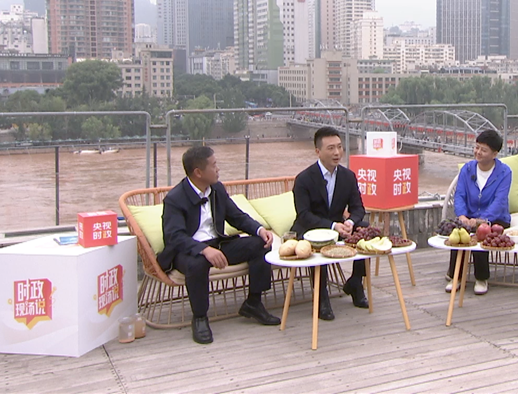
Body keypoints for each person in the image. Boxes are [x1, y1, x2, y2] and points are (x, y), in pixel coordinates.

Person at [158, 146, 280, 344]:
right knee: (197, 264)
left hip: (218, 243)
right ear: (198, 172)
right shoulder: (175, 198)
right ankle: (200, 317)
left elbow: (237, 216)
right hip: (187, 250)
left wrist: (259, 230)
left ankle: (254, 302)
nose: (218, 169)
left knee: (260, 245)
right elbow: (175, 236)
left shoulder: (217, 189)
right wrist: (203, 250)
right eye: (214, 165)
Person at [293, 127, 369, 320]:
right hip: (310, 227)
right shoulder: (303, 179)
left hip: (339, 226)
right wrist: (333, 226)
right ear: (318, 151)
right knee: (316, 241)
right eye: (331, 148)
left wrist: (350, 222)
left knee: (365, 229)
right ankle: (321, 296)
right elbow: (304, 214)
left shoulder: (348, 176)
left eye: (339, 147)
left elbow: (358, 208)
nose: (337, 153)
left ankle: (356, 282)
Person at [446, 129, 512, 296]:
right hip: (469, 215)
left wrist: (481, 219)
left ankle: (481, 278)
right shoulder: (467, 169)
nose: (478, 152)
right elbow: (459, 195)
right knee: (460, 230)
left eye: (483, 150)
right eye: (476, 147)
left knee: (481, 231)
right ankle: (455, 276)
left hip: (496, 218)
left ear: (494, 154)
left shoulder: (505, 172)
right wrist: (462, 215)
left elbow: (499, 201)